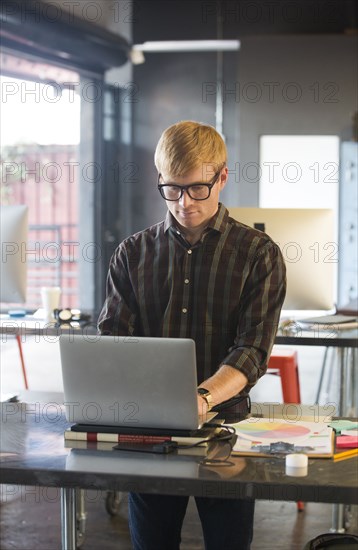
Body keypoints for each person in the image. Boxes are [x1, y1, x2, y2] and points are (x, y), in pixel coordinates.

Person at [98, 120, 286, 549]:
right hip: (149, 430)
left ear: (222, 176)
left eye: (197, 188)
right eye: (172, 189)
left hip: (226, 429)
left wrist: (201, 398)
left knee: (228, 542)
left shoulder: (259, 255)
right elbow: (114, 343)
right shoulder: (132, 254)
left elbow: (252, 350)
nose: (184, 203)